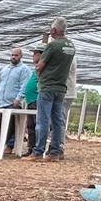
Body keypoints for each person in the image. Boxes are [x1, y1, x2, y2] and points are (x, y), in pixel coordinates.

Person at [28, 18, 74, 162]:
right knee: (58, 120)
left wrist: (40, 77)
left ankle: (38, 152)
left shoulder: (53, 45)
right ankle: (54, 152)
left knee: (42, 120)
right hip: (61, 88)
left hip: (48, 87)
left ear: (54, 30)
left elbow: (40, 65)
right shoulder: (71, 46)